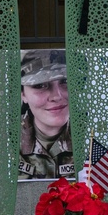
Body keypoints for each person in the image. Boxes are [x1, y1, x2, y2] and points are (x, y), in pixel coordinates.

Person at [19, 49, 74, 180]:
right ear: (23, 94)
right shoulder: (6, 141)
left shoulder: (93, 138)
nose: (56, 96)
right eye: (40, 85)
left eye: (65, 82)